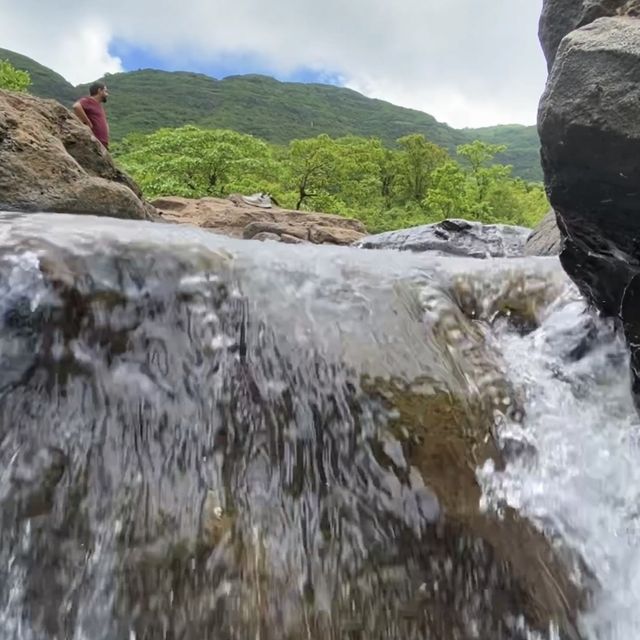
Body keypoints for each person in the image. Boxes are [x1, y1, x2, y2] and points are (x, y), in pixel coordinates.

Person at [73, 82, 110, 149]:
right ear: (99, 91)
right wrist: (88, 123)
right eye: (105, 91)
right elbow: (76, 106)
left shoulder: (99, 106)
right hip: (94, 141)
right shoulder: (88, 100)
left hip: (102, 143)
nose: (107, 94)